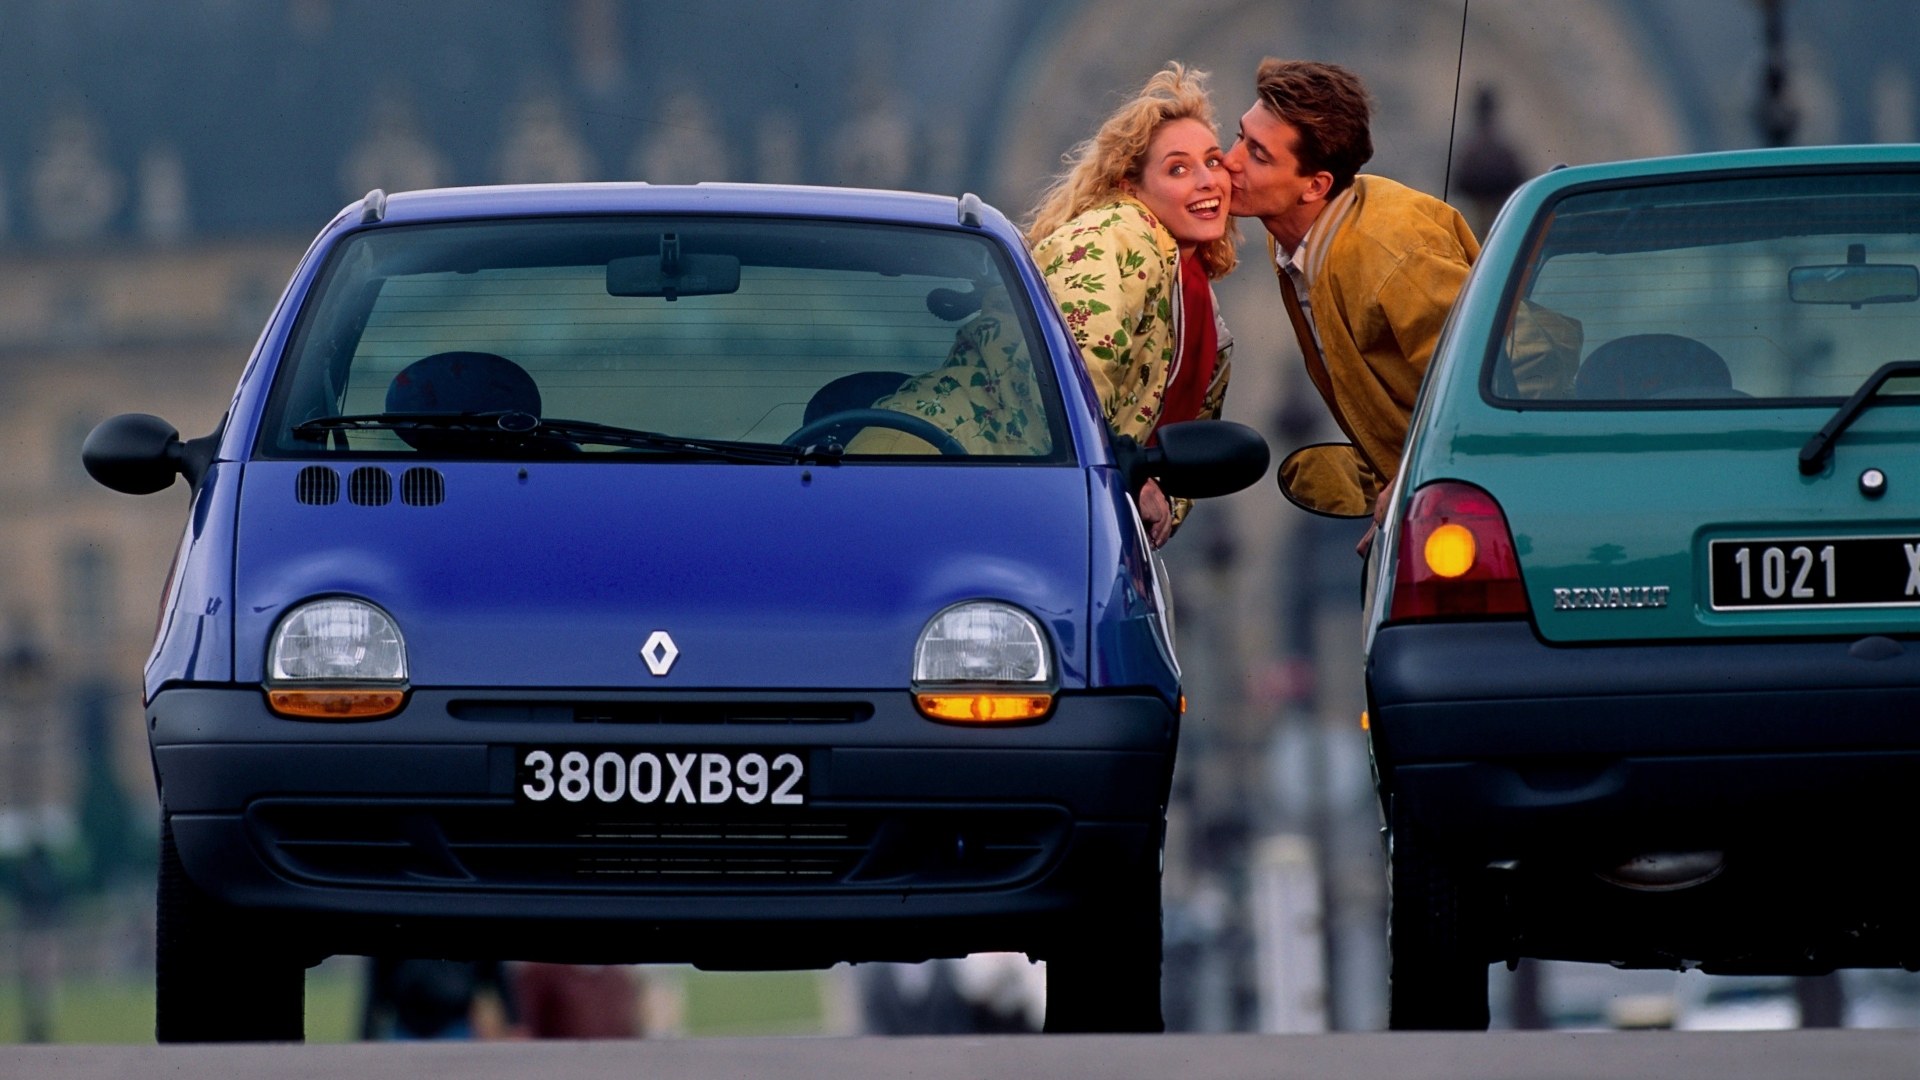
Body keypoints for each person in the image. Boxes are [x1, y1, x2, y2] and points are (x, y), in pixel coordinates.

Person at [1222, 60, 1478, 544]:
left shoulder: (1390, 252)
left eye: (1257, 154)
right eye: (1239, 137)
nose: (1229, 160)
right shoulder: (1315, 246)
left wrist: (1411, 487)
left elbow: (1505, 375)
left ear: (1315, 185)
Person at [1025, 63, 1237, 547]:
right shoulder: (1123, 233)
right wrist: (1128, 477)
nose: (1207, 180)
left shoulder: (1197, 296)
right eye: (1178, 168)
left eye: (1213, 161)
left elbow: (1183, 446)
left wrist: (1154, 493)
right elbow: (1078, 371)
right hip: (958, 467)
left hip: (1058, 499)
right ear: (1129, 187)